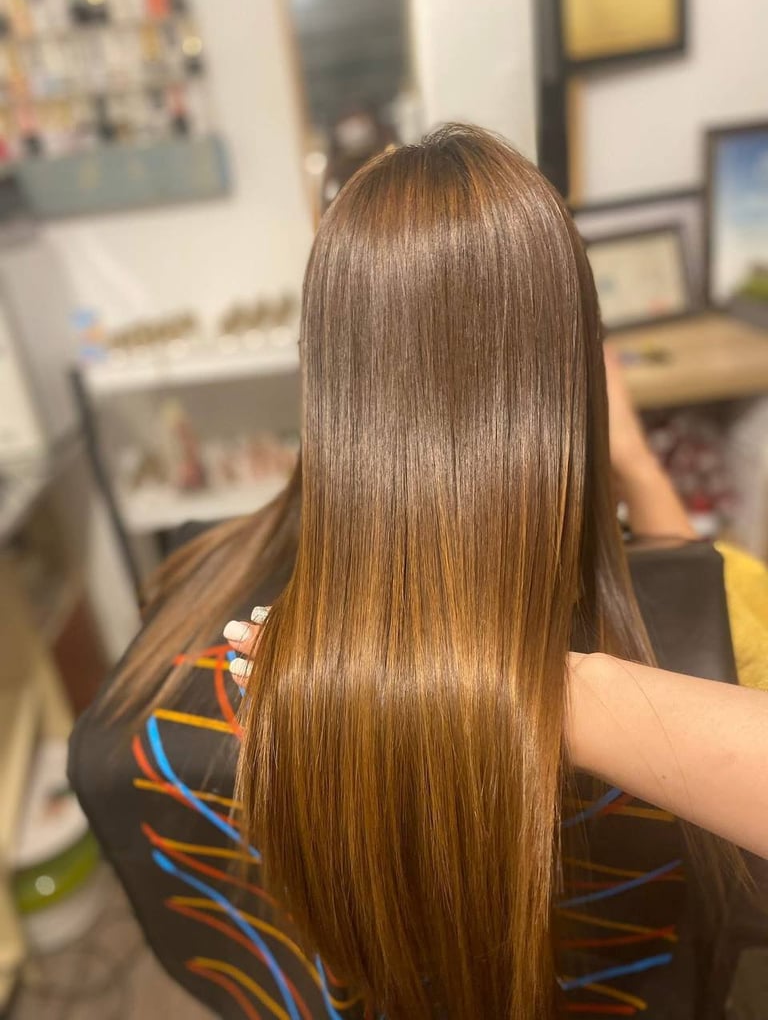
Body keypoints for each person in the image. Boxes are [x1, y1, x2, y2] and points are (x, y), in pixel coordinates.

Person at [70, 124, 768, 1020]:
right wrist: (634, 462)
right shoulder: (717, 614)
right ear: (570, 384)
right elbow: (694, 590)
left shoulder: (193, 579)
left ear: (330, 377)